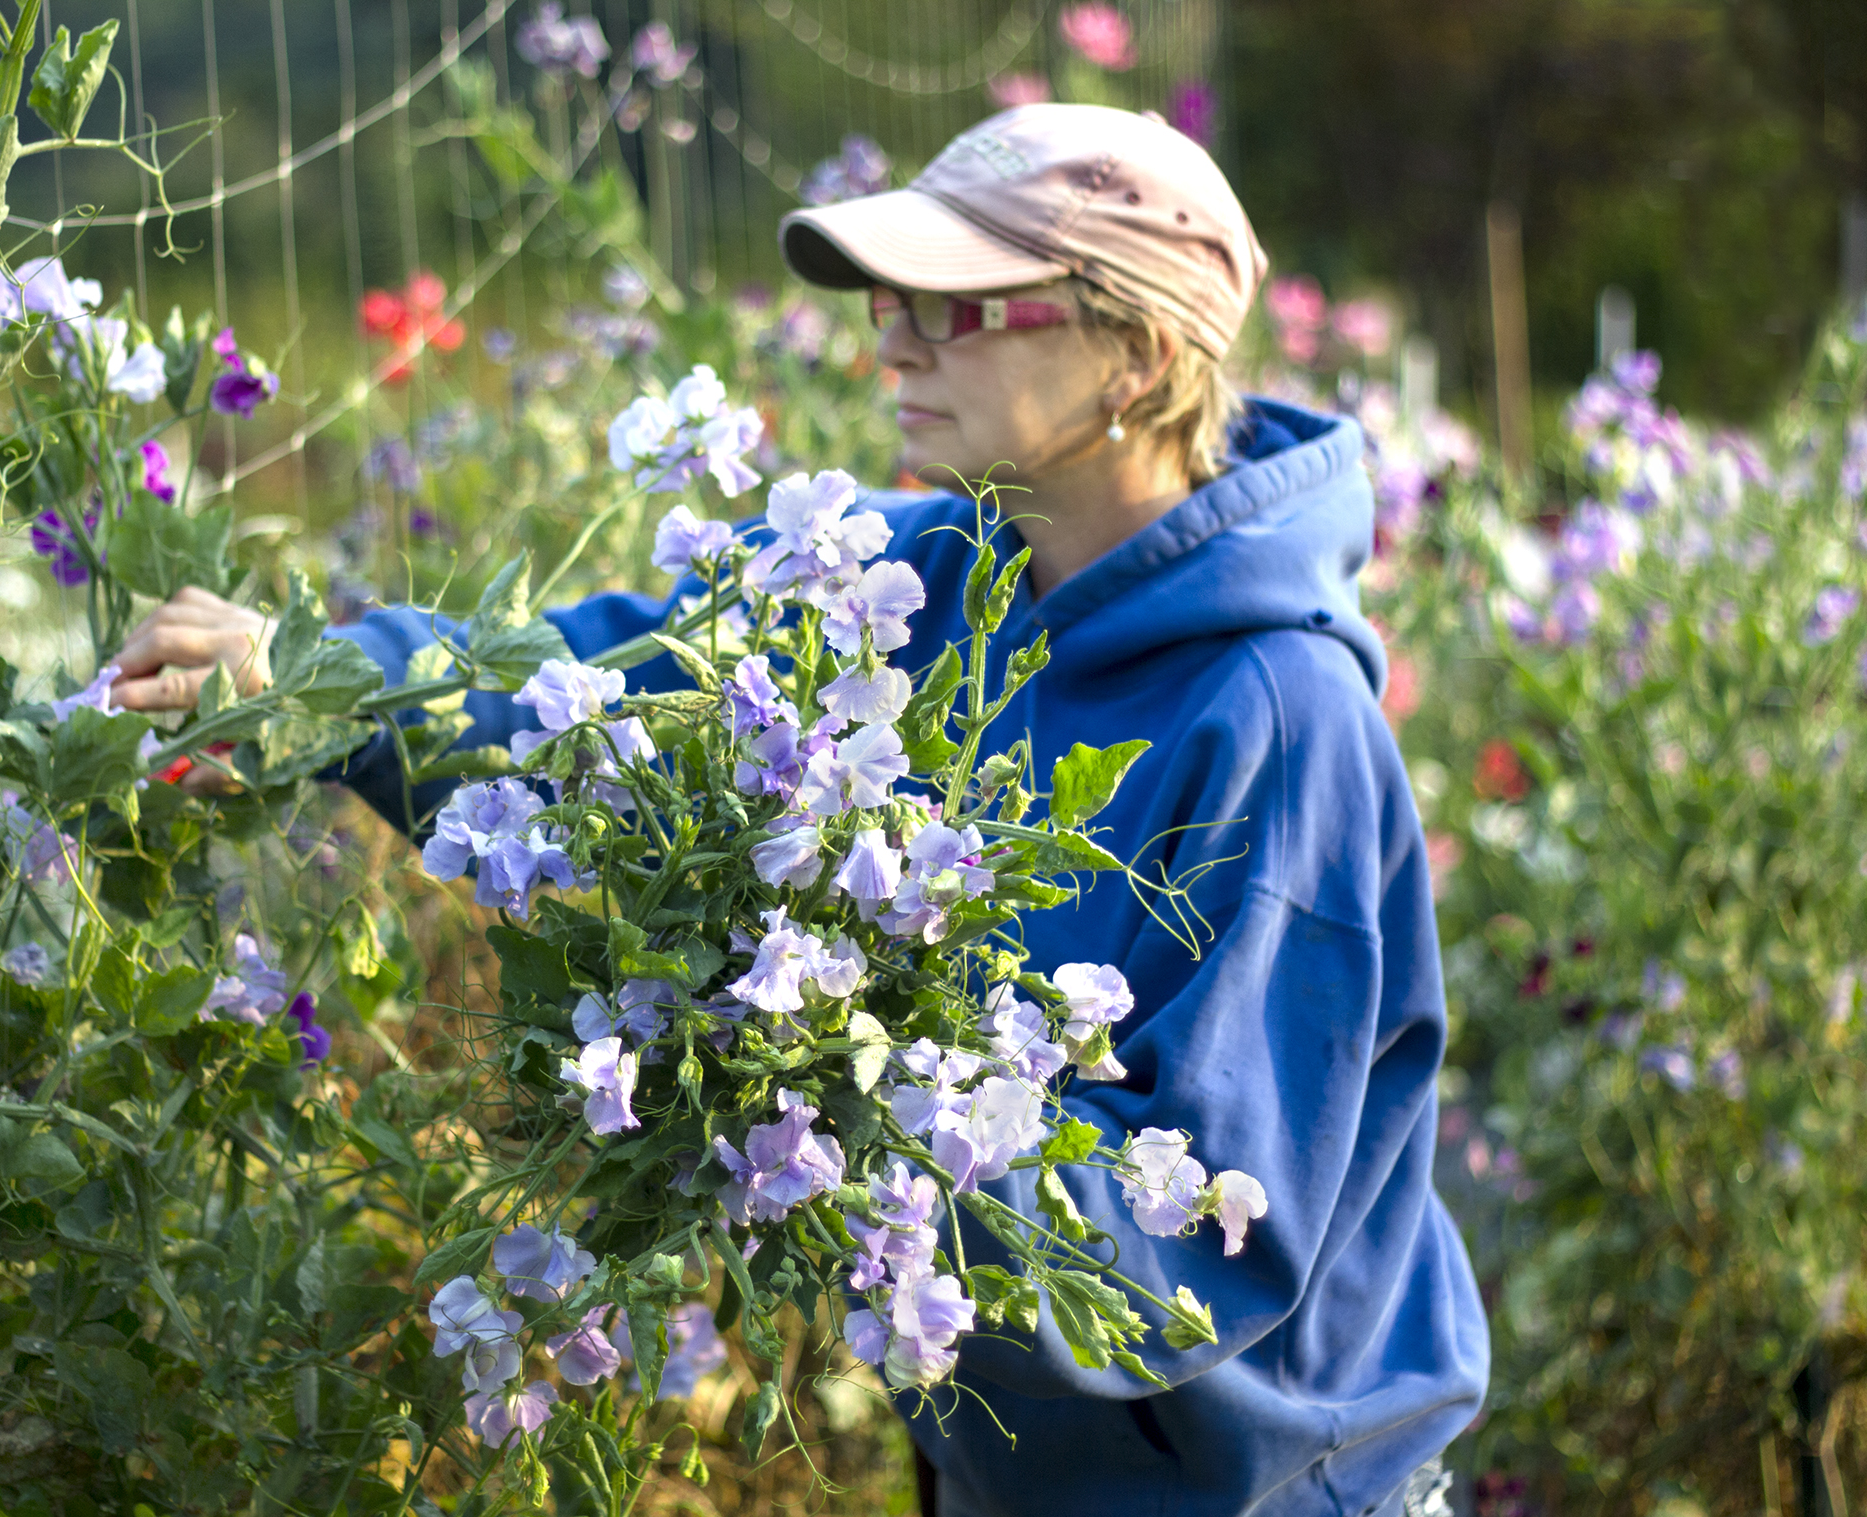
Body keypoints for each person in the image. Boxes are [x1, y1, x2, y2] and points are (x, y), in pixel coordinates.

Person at [114, 103, 1487, 1517]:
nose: (891, 341)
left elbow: (1187, 1260)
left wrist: (833, 1114)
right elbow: (601, 693)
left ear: (1134, 353)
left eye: (956, 308)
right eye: (891, 301)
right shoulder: (919, 577)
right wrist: (317, 684)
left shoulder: (1277, 718)